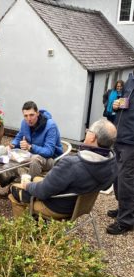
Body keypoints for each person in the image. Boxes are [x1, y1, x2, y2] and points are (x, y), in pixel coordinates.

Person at [9, 119, 117, 219]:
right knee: (36, 178)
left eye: (88, 130)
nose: (86, 132)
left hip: (57, 207)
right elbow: (105, 186)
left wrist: (27, 185)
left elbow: (42, 192)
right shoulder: (110, 163)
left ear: (93, 137)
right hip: (79, 206)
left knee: (14, 190)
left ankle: (24, 235)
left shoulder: (72, 164)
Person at [106, 73, 134, 235]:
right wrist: (118, 104)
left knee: (126, 180)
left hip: (131, 141)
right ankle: (124, 209)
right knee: (117, 177)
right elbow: (127, 102)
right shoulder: (131, 79)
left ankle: (126, 220)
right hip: (120, 135)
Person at [9, 101, 63, 179]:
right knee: (10, 155)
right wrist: (12, 145)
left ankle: (30, 187)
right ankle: (10, 181)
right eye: (26, 116)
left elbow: (49, 151)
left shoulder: (50, 126)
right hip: (32, 155)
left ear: (37, 113)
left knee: (35, 160)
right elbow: (19, 137)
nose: (29, 119)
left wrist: (30, 147)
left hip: (51, 159)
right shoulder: (24, 123)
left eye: (31, 115)